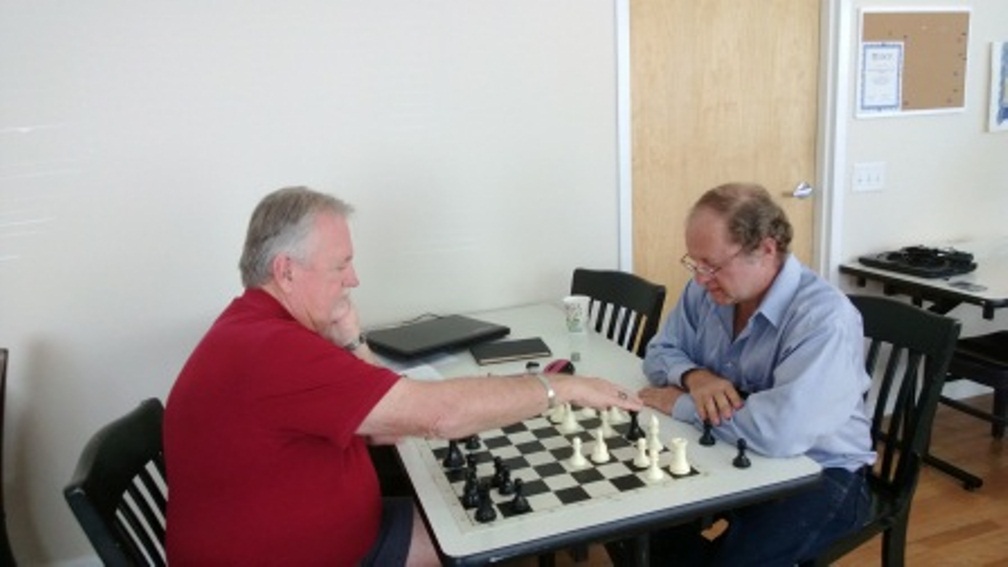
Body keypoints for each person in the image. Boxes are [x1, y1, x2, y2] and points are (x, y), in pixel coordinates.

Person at [163, 186, 641, 566]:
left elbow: (385, 428)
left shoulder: (255, 328)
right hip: (311, 555)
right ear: (286, 271)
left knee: (482, 516)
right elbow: (439, 417)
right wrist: (560, 387)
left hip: (324, 537)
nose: (353, 279)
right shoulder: (274, 349)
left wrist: (352, 340)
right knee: (501, 529)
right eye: (341, 265)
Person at [637, 182, 875, 565]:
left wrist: (682, 404)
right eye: (695, 264)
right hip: (732, 450)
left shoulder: (824, 320)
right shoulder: (708, 292)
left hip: (822, 470)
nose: (700, 279)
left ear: (766, 249)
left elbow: (779, 432)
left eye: (712, 265)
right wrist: (696, 377)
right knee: (642, 530)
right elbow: (659, 352)